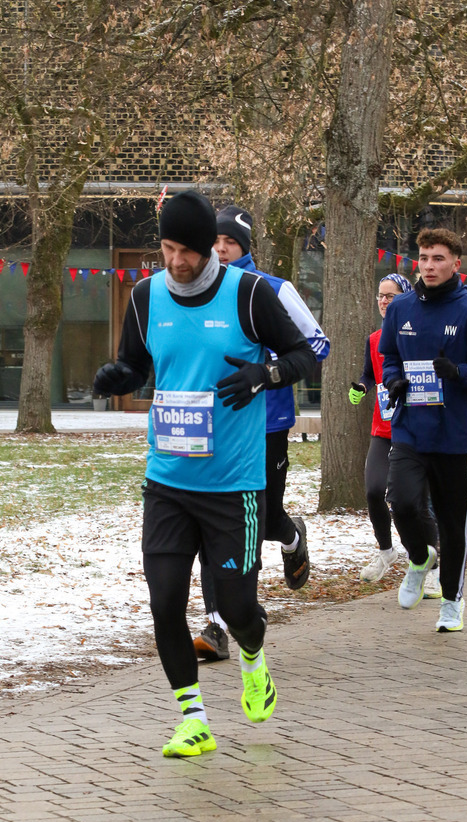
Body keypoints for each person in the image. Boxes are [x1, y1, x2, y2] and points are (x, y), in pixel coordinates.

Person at [93, 190, 316, 756]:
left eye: (186, 251)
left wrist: (263, 375)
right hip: (167, 479)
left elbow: (304, 355)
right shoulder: (145, 296)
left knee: (239, 609)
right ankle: (193, 719)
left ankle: (253, 658)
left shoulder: (249, 294)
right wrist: (118, 378)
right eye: (167, 248)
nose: (176, 261)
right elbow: (137, 364)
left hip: (232, 484)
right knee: (165, 600)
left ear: (209, 249)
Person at [194, 205, 330, 662]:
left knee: (266, 519)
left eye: (228, 242)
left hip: (266, 423)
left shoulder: (271, 289)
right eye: (213, 241)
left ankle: (292, 538)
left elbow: (317, 345)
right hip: (211, 424)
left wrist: (267, 371)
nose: (219, 250)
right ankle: (216, 625)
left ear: (244, 246)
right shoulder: (193, 292)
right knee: (212, 521)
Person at [379, 227, 467, 632]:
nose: (429, 266)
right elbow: (391, 356)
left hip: (454, 436)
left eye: (438, 259)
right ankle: (418, 557)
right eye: (424, 258)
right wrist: (394, 380)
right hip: (410, 428)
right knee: (400, 499)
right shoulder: (401, 308)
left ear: (455, 264)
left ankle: (452, 600)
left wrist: (458, 372)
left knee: (453, 526)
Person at [349, 273, 440, 597]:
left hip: (416, 430)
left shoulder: (417, 334)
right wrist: (361, 387)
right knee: (374, 490)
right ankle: (387, 551)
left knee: (419, 502)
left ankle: (433, 568)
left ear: (404, 298)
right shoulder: (374, 339)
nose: (384, 301)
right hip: (383, 428)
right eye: (380, 295)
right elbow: (368, 374)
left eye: (390, 295)